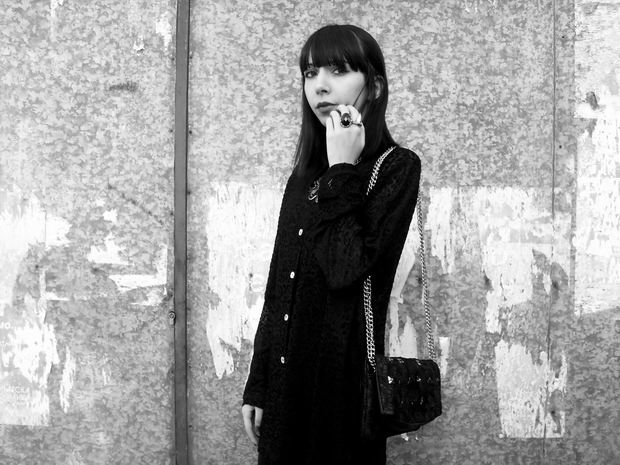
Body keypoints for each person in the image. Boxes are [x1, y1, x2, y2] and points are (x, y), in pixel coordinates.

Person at [241, 24, 421, 465]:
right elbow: (278, 289)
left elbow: (345, 268)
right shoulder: (302, 178)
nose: (319, 85)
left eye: (338, 71)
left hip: (342, 396)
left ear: (374, 86)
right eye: (310, 73)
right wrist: (258, 385)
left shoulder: (396, 168)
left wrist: (342, 167)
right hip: (284, 387)